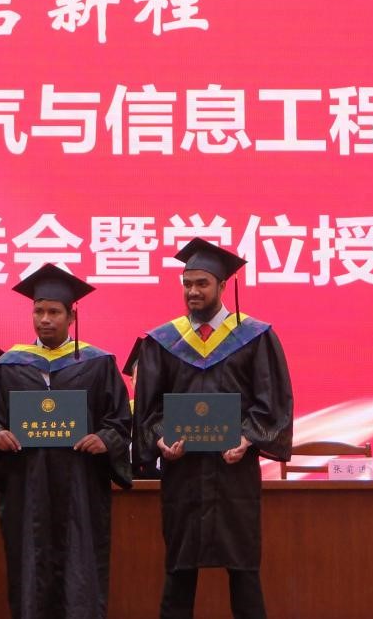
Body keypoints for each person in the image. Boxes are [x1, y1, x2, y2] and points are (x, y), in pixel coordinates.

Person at [131, 238, 294, 619]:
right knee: (179, 573)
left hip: (233, 473)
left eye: (202, 284)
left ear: (222, 285)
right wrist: (160, 439)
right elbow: (148, 409)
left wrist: (248, 438)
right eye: (187, 284)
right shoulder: (164, 341)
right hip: (183, 473)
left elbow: (271, 403)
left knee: (244, 573)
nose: (193, 291)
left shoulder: (253, 337)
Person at [0, 264, 132, 619]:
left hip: (80, 485)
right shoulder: (8, 366)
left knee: (80, 571)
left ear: (71, 316)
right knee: (30, 569)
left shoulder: (98, 364)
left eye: (54, 312)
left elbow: (120, 420)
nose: (45, 319)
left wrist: (105, 438)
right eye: (39, 311)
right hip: (26, 485)